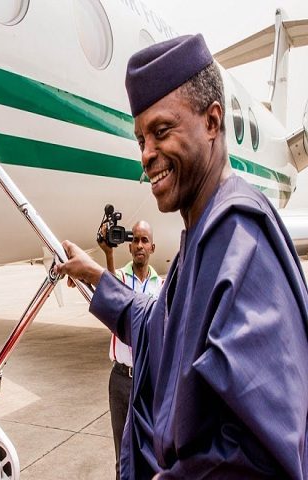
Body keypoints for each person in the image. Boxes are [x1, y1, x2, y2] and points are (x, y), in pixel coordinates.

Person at [55, 34, 308, 479]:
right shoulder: (202, 232)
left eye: (161, 131)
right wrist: (98, 277)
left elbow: (260, 460)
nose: (147, 155)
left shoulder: (238, 240)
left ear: (212, 122)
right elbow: (162, 331)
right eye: (140, 140)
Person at [100, 221, 162, 480]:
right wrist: (108, 254)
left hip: (148, 379)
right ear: (129, 246)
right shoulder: (121, 278)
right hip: (121, 381)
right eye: (135, 240)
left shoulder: (161, 285)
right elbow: (110, 294)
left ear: (152, 247)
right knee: (121, 455)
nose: (139, 245)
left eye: (144, 240)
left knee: (150, 451)